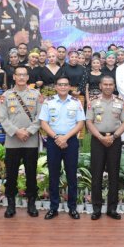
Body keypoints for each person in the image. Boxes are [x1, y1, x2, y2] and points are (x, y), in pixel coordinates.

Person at [0, 66, 42, 218]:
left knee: (31, 173)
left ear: (28, 77)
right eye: (19, 75)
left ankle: (31, 203)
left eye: (24, 75)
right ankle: (10, 204)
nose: (22, 77)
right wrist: (17, 132)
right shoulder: (6, 95)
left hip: (30, 141)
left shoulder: (36, 94)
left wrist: (28, 131)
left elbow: (40, 116)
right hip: (12, 141)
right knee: (11, 174)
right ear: (14, 77)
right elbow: (3, 118)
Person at [39, 76, 85, 220]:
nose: (63, 87)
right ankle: (54, 207)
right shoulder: (48, 102)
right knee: (53, 175)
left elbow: (80, 123)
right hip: (54, 141)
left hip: (70, 141)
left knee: (72, 175)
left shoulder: (76, 102)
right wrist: (57, 138)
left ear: (70, 87)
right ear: (56, 87)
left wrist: (65, 138)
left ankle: (72, 207)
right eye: (60, 85)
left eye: (66, 85)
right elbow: (43, 123)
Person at [85, 75, 124, 220]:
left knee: (114, 175)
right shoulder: (93, 102)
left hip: (114, 140)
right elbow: (89, 122)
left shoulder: (120, 102)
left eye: (111, 84)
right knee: (96, 175)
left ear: (114, 86)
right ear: (101, 86)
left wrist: (114, 137)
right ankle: (96, 208)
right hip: (98, 140)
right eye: (106, 84)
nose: (108, 86)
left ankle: (112, 208)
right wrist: (100, 137)